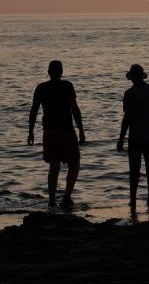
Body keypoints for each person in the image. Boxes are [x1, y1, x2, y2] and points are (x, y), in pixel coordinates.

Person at [27, 60, 86, 208]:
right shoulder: (67, 86)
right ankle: (66, 197)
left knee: (54, 167)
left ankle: (52, 201)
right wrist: (81, 130)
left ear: (48, 71)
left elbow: (33, 111)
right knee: (74, 163)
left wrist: (31, 131)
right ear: (61, 72)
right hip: (66, 130)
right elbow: (75, 109)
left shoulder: (41, 88)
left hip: (50, 131)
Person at [116, 63, 149, 210]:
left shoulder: (129, 93)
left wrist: (120, 139)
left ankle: (133, 200)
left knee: (134, 172)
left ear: (132, 78)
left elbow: (127, 118)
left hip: (135, 139)